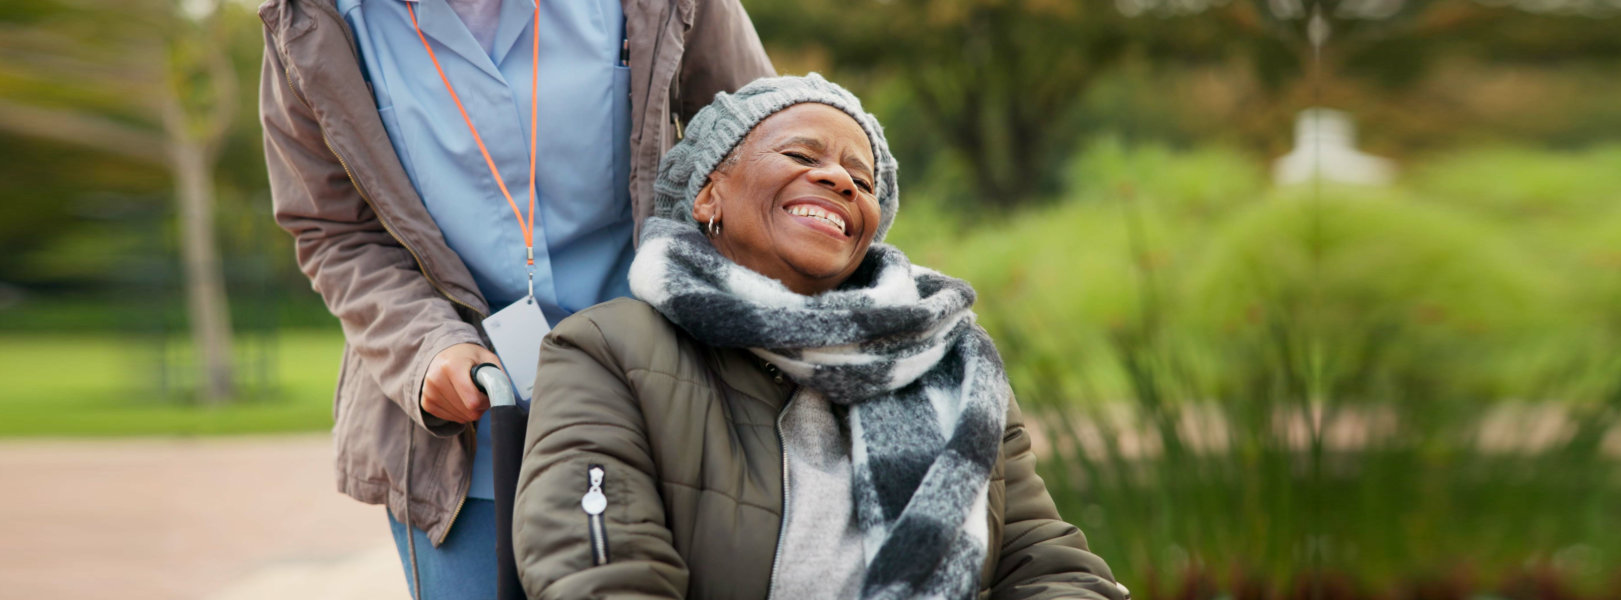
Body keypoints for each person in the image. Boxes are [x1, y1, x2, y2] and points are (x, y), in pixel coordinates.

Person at [513, 75, 1131, 599]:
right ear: (707, 195)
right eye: (803, 157)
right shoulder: (607, 350)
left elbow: (1050, 565)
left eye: (862, 182)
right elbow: (600, 572)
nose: (839, 181)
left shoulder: (952, 364)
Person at [256, 0, 773, 597]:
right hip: (468, 445)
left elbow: (766, 139)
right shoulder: (308, 21)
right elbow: (334, 230)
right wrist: (425, 347)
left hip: (672, 409)